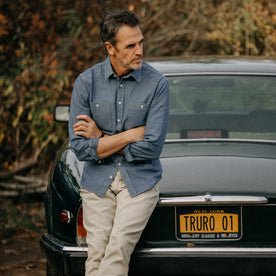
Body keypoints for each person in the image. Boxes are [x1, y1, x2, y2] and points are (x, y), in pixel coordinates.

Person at [68, 9, 169, 276]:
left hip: (139, 181)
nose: (139, 51)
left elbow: (152, 147)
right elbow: (80, 148)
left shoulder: (157, 84)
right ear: (110, 48)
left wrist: (100, 138)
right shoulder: (86, 83)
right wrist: (128, 135)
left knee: (117, 249)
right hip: (97, 183)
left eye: (141, 42)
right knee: (96, 254)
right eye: (131, 45)